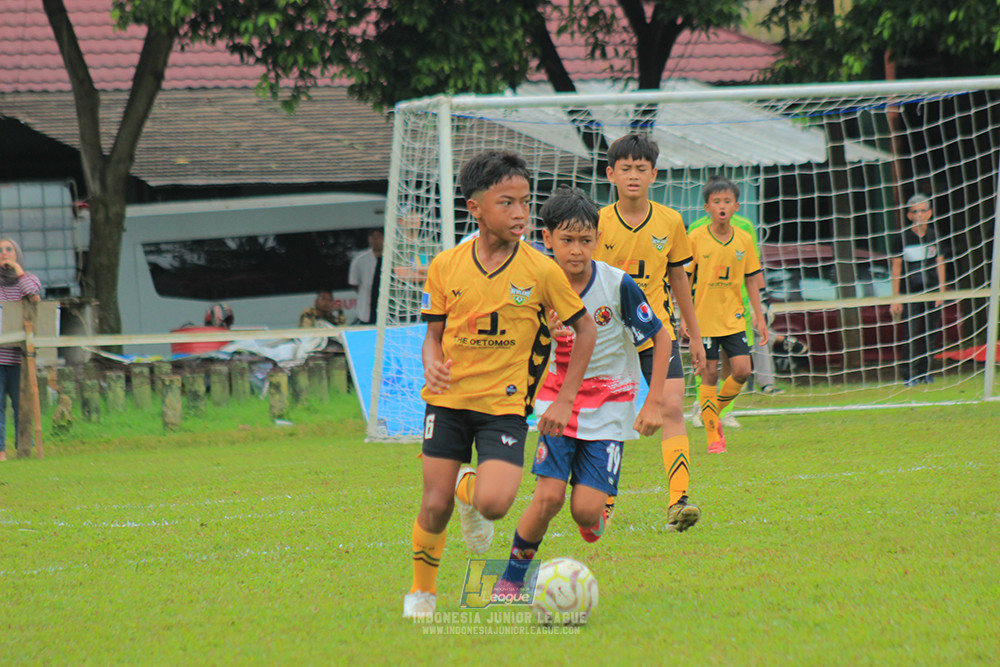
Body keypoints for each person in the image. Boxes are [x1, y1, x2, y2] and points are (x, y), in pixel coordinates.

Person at [402, 151, 597, 620]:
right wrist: (431, 365)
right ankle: (421, 594)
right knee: (433, 504)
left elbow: (585, 329)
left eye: (525, 203)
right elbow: (432, 337)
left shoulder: (542, 269)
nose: (520, 214)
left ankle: (468, 488)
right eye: (507, 202)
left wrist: (565, 398)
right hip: (447, 402)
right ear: (475, 208)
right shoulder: (446, 265)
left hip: (504, 407)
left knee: (493, 505)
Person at [491, 187, 670, 597]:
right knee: (548, 498)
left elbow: (660, 340)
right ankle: (512, 578)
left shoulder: (617, 285)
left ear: (597, 240)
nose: (576, 250)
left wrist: (653, 401)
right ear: (547, 238)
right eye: (566, 240)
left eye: (585, 240)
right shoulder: (532, 282)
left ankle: (597, 511)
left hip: (610, 407)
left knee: (585, 511)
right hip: (558, 403)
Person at [592, 133, 705, 533]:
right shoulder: (598, 222)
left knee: (672, 406)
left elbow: (679, 279)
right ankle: (602, 501)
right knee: (607, 414)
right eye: (626, 168)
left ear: (654, 173)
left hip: (654, 331)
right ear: (611, 174)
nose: (634, 175)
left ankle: (679, 502)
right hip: (605, 333)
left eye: (642, 168)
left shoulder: (671, 221)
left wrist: (693, 331)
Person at [686, 176, 768, 453]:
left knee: (742, 370)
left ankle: (711, 413)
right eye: (716, 201)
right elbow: (684, 279)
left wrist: (759, 316)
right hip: (703, 319)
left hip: (734, 318)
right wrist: (684, 317)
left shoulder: (744, 239)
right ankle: (714, 438)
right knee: (708, 373)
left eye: (727, 201)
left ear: (736, 206)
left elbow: (752, 280)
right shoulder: (695, 237)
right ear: (706, 207)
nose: (722, 206)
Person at [890, 193, 948, 386]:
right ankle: (909, 375)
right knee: (911, 334)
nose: (920, 215)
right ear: (909, 216)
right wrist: (895, 298)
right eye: (915, 211)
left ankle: (926, 373)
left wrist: (941, 290)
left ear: (930, 213)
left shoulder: (934, 235)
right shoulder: (902, 238)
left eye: (923, 210)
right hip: (910, 293)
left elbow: (940, 262)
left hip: (931, 291)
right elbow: (896, 267)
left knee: (930, 333)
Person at [0, 238, 41, 461]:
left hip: (21, 358)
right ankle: (1, 451)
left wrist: (18, 272)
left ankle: (24, 447)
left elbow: (34, 298)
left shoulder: (29, 279)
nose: (4, 253)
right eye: (0, 251)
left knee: (21, 404)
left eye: (9, 249)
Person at [348, 228, 384, 325]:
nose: (376, 240)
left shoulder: (394, 258)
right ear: (369, 239)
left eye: (379, 237)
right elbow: (354, 284)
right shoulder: (359, 260)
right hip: (367, 308)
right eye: (373, 237)